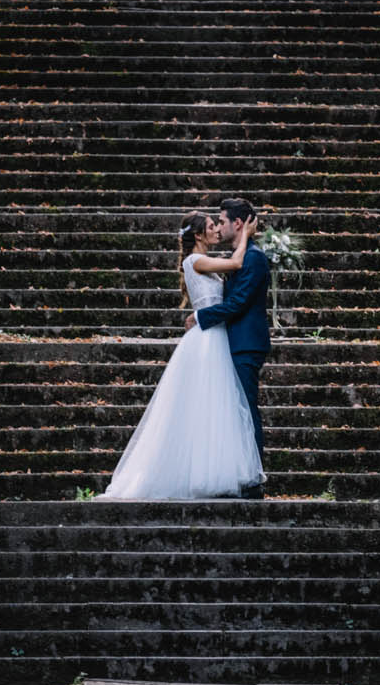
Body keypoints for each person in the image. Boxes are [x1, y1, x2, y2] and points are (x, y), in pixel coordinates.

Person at [96, 211, 264, 500]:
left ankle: (215, 471)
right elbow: (237, 262)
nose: (216, 231)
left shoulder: (206, 263)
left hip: (218, 336)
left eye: (218, 224)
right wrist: (246, 232)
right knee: (204, 407)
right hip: (207, 340)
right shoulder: (195, 261)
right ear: (198, 235)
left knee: (215, 410)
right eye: (212, 227)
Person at [188, 197, 271, 499]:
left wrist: (200, 317)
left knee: (246, 411)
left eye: (222, 221)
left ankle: (253, 483)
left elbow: (236, 304)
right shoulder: (240, 256)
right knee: (233, 413)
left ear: (238, 223)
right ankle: (238, 476)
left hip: (245, 346)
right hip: (231, 345)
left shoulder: (254, 258)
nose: (219, 226)